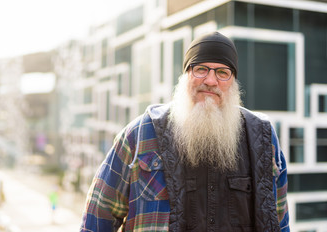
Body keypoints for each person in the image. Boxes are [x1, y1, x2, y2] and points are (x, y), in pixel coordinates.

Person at [79, 32, 290, 231]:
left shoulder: (263, 137)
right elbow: (98, 215)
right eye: (201, 69)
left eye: (222, 73)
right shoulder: (139, 134)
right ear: (186, 75)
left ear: (233, 83)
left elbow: (279, 221)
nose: (210, 80)